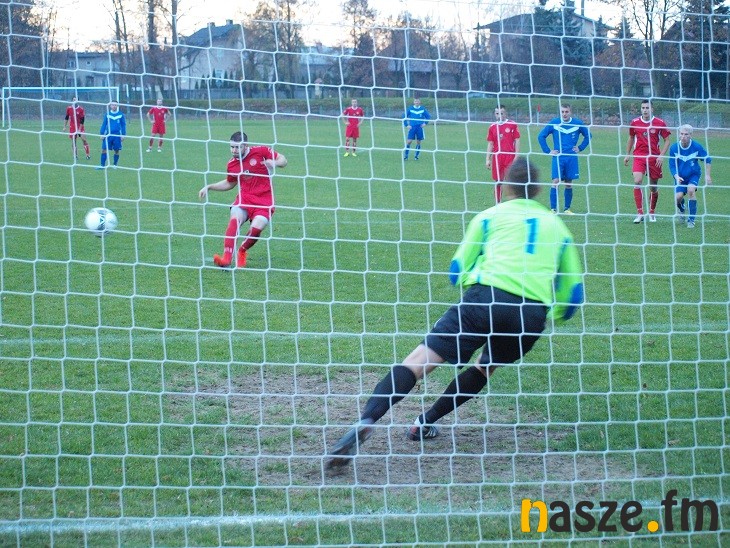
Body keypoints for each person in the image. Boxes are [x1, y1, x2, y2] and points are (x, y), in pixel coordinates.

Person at [326, 157, 584, 470]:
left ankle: (368, 419)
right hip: (530, 315)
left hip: (484, 299)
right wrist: (552, 312)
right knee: (484, 368)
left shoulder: (489, 216)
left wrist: (475, 280)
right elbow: (573, 295)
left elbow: (456, 268)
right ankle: (424, 422)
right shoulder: (558, 227)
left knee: (419, 361)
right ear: (539, 189)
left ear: (506, 186)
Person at [198, 131, 288, 268]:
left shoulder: (260, 151)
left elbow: (283, 160)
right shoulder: (232, 164)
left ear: (245, 146)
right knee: (234, 221)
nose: (234, 150)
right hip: (244, 199)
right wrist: (209, 187)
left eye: (237, 147)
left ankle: (242, 250)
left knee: (256, 230)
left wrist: (274, 162)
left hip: (264, 201)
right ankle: (226, 259)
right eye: (232, 147)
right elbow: (230, 183)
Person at [537, 104, 591, 214]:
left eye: (566, 111)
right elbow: (541, 136)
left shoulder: (577, 123)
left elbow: (588, 136)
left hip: (571, 157)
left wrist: (580, 147)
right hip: (558, 157)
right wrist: (548, 150)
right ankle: (553, 209)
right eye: (562, 112)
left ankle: (567, 208)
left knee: (568, 183)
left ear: (570, 112)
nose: (564, 114)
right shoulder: (555, 122)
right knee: (556, 181)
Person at [624, 99, 671, 223]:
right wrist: (627, 154)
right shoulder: (635, 122)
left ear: (652, 109)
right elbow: (631, 137)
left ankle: (652, 211)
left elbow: (667, 140)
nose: (645, 110)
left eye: (647, 108)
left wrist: (661, 155)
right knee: (637, 181)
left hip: (654, 158)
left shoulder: (659, 123)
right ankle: (640, 213)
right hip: (639, 156)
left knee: (653, 187)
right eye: (643, 108)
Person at [668, 124, 712, 229]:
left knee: (691, 191)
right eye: (681, 134)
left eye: (686, 134)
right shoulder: (674, 148)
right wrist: (676, 176)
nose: (683, 136)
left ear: (691, 135)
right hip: (680, 176)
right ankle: (682, 208)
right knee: (678, 198)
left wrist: (707, 175)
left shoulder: (696, 147)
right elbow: (672, 165)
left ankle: (691, 220)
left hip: (693, 175)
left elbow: (707, 159)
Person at [486, 104, 521, 204]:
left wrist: (516, 156)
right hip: (497, 157)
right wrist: (487, 159)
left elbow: (517, 140)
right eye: (497, 113)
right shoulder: (492, 127)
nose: (500, 116)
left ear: (506, 113)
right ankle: (498, 203)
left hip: (509, 156)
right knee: (498, 181)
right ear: (495, 114)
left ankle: (514, 203)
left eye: (502, 113)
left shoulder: (512, 124)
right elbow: (490, 143)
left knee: (511, 181)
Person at [97, 101, 126, 169]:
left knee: (116, 150)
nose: (114, 106)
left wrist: (123, 135)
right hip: (108, 135)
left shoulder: (121, 115)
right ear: (110, 106)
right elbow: (104, 124)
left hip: (117, 135)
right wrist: (102, 134)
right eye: (113, 105)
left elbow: (123, 125)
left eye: (115, 105)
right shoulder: (107, 114)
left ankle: (115, 165)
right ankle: (102, 165)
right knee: (104, 149)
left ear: (117, 106)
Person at [63, 97, 90, 161]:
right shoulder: (69, 108)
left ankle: (87, 154)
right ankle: (75, 156)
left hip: (80, 127)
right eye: (73, 100)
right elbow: (66, 117)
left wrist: (79, 129)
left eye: (76, 100)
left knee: (84, 140)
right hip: (72, 127)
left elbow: (82, 120)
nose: (74, 101)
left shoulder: (81, 109)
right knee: (73, 141)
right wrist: (64, 126)